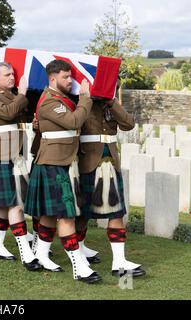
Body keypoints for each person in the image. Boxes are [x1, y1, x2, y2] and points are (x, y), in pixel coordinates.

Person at [24, 59, 102, 283]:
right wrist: (85, 98)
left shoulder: (62, 99)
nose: (71, 81)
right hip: (52, 163)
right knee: (67, 215)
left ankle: (40, 256)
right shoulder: (50, 101)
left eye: (71, 76)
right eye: (66, 77)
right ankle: (79, 268)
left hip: (61, 162)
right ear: (52, 78)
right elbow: (74, 120)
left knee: (49, 215)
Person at [75, 79, 146, 278]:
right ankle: (79, 253)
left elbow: (128, 124)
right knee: (83, 213)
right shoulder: (82, 101)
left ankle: (119, 262)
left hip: (111, 163)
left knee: (116, 213)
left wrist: (112, 101)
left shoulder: (111, 103)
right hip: (88, 162)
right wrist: (85, 98)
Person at [0, 62, 42, 271]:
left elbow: (20, 113)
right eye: (8, 75)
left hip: (14, 153)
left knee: (7, 204)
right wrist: (22, 93)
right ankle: (26, 253)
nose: (12, 77)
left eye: (13, 74)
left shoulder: (11, 95)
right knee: (15, 203)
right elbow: (7, 113)